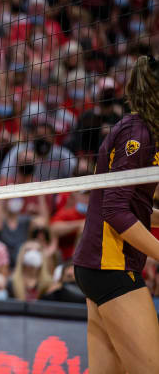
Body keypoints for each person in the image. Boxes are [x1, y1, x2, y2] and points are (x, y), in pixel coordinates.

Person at [73, 55, 159, 373]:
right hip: (109, 266)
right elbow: (116, 211)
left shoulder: (143, 130)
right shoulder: (138, 134)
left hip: (100, 266)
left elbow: (132, 207)